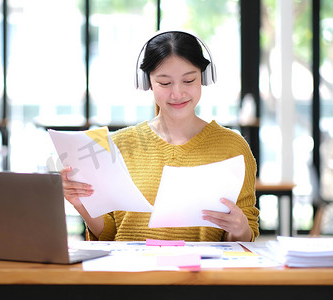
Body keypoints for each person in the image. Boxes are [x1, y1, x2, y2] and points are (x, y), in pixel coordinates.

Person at [60, 30, 259, 242]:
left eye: (189, 80)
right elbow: (109, 234)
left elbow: (244, 240)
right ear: (147, 82)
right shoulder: (118, 146)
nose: (177, 93)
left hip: (199, 273)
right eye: (165, 83)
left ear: (204, 77)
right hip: (131, 272)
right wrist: (81, 203)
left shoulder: (233, 147)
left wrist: (240, 228)